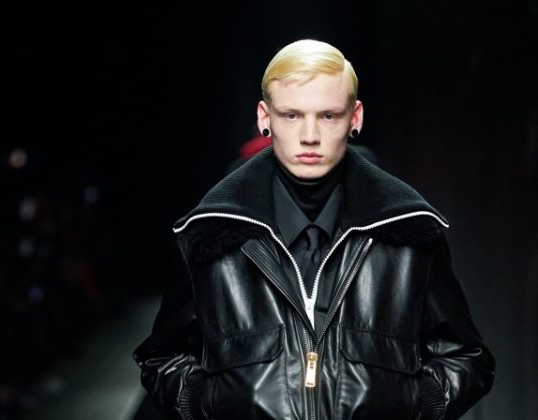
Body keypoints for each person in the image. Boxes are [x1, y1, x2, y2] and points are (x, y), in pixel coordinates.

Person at [133, 39, 495, 420]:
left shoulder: (409, 233)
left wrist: (412, 405)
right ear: (265, 118)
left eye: (328, 116)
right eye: (291, 115)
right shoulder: (209, 236)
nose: (309, 135)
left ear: (355, 118)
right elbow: (162, 358)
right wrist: (208, 404)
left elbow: (467, 358)